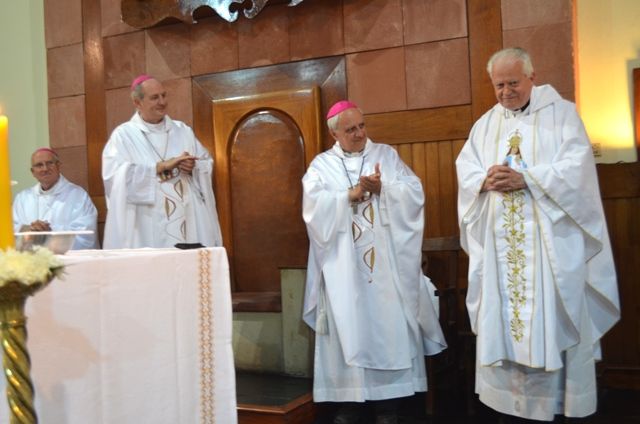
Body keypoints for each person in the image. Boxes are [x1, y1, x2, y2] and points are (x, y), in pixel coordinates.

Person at [455, 47, 620, 422]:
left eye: (513, 82)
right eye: (499, 85)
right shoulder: (485, 125)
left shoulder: (562, 115)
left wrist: (527, 178)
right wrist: (483, 180)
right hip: (499, 250)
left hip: (549, 249)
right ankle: (508, 405)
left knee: (551, 318)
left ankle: (553, 405)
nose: (506, 92)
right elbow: (466, 168)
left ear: (532, 76)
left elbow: (576, 169)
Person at [302, 100, 446, 424]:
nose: (359, 133)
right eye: (350, 129)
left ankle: (388, 405)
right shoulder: (321, 166)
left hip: (385, 267)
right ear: (334, 134)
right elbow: (312, 210)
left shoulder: (386, 156)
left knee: (388, 327)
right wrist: (347, 196)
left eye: (362, 126)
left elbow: (414, 193)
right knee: (348, 326)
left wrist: (384, 189)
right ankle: (351, 403)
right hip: (343, 268)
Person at [102, 75, 222, 248]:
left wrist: (193, 167)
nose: (162, 102)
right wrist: (158, 168)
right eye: (154, 97)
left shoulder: (182, 131)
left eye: (163, 95)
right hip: (147, 223)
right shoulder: (124, 136)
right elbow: (114, 178)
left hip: (188, 216)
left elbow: (205, 162)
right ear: (137, 102)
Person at [13, 147, 99, 249]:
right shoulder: (22, 198)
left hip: (66, 257)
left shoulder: (78, 195)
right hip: (31, 256)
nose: (45, 169)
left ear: (58, 166)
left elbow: (86, 233)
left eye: (49, 163)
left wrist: (50, 231)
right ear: (33, 172)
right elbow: (12, 229)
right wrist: (30, 229)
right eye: (39, 165)